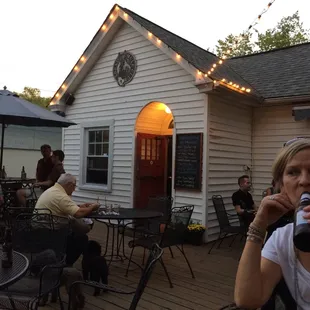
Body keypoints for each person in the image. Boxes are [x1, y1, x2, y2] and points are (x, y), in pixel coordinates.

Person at [234, 139, 310, 309]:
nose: (304, 181)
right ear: (282, 185)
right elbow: (247, 300)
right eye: (293, 172)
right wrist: (258, 226)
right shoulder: (282, 238)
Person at [35, 173, 99, 265]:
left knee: (75, 228)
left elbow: (66, 207)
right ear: (69, 185)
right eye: (74, 186)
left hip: (39, 230)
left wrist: (80, 206)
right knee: (82, 238)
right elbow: (78, 213)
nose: (74, 189)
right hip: (52, 233)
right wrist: (93, 207)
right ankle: (66, 263)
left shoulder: (52, 191)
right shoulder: (61, 196)